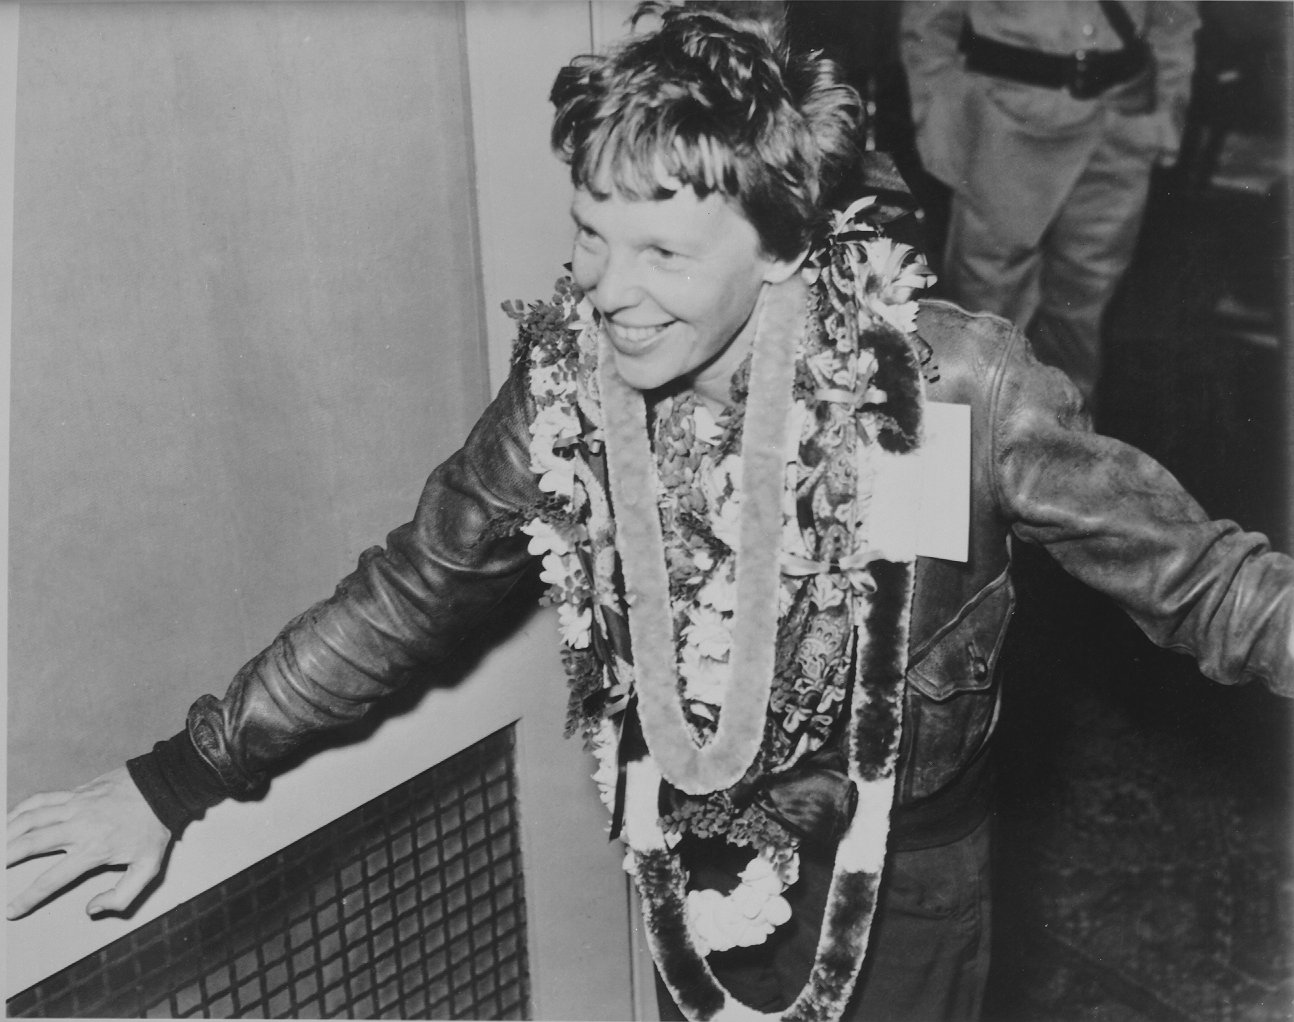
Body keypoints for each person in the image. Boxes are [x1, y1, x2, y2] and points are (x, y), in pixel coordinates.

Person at [6, 5, 1291, 1021]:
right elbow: (412, 586)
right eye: (587, 237)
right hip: (694, 861)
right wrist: (179, 775)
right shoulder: (565, 380)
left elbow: (1210, 587)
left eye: (663, 253)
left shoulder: (962, 383)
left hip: (909, 876)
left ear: (786, 244)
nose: (606, 292)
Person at [900, 0, 1201, 403]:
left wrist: (1165, 114)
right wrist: (941, 125)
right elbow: (928, 21)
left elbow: (1175, 15)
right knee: (985, 323)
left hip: (1120, 131)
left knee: (1082, 316)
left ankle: (1067, 449)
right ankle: (981, 456)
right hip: (1004, 128)